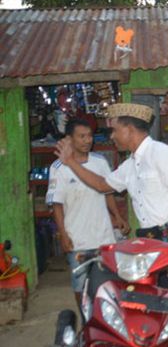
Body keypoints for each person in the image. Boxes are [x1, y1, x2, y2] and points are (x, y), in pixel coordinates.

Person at [55, 103, 168, 347]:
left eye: (115, 130)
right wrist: (69, 163)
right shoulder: (130, 164)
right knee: (159, 306)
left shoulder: (160, 153)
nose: (111, 136)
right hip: (150, 241)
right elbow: (102, 185)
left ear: (130, 129)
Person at [46, 118, 129, 307]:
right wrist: (63, 236)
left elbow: (107, 191)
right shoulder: (58, 168)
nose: (87, 140)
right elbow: (56, 205)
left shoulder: (99, 162)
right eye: (81, 136)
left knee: (108, 283)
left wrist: (117, 216)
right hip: (78, 240)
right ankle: (85, 320)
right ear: (69, 139)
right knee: (80, 287)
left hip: (104, 237)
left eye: (90, 136)